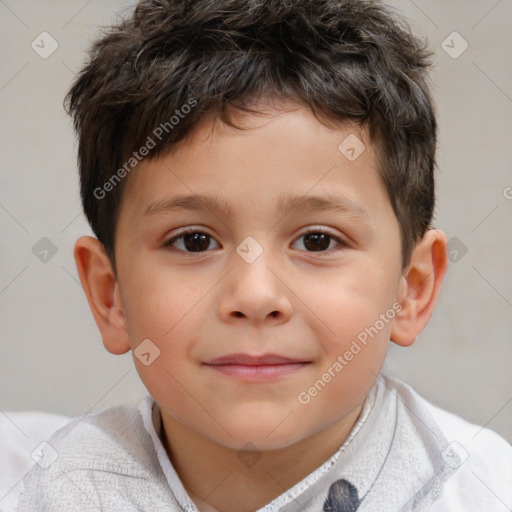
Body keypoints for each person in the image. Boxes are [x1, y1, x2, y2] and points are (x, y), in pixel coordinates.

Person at [17, 0, 512, 510]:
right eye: (194, 241)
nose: (254, 296)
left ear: (412, 288)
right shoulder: (54, 490)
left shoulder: (482, 491)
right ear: (110, 295)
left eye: (318, 240)